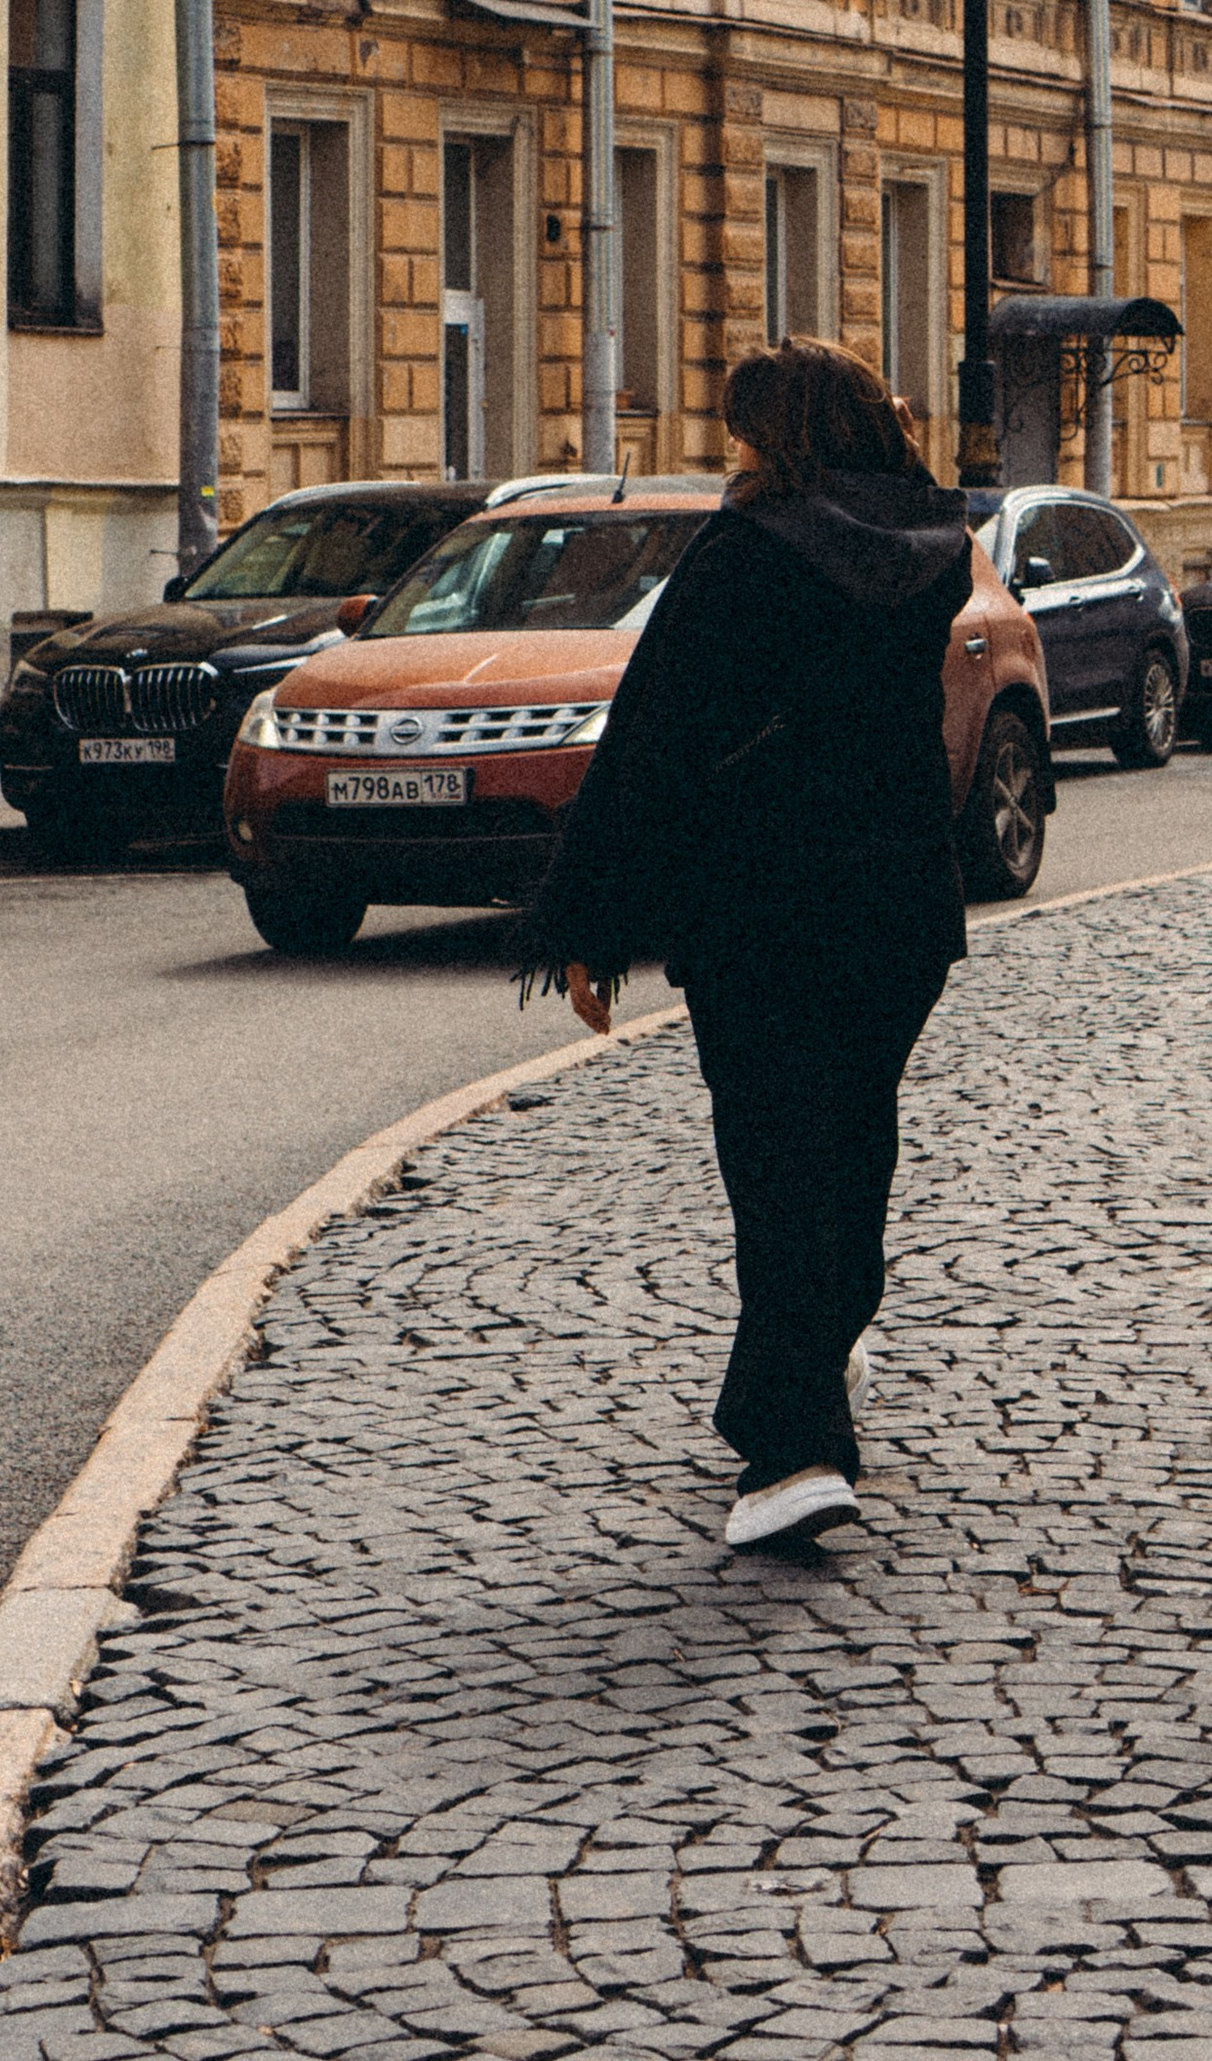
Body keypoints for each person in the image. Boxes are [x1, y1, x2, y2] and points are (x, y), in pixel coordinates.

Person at [516, 338, 973, 1551]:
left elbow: (651, 748)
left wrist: (584, 925)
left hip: (766, 910)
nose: (729, 458)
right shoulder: (933, 550)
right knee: (849, 1141)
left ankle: (792, 1450)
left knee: (776, 1164)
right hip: (899, 907)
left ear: (773, 440)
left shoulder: (744, 559)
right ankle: (818, 1361)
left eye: (739, 436)